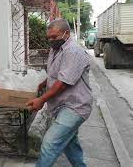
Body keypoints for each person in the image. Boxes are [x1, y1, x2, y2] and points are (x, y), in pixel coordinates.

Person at [27, 18, 93, 167]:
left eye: (54, 37)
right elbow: (55, 73)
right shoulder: (55, 49)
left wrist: (41, 99)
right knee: (70, 144)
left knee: (49, 144)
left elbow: (63, 83)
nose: (51, 40)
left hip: (75, 106)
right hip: (61, 105)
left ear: (66, 34)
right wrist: (43, 83)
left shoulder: (74, 52)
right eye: (48, 37)